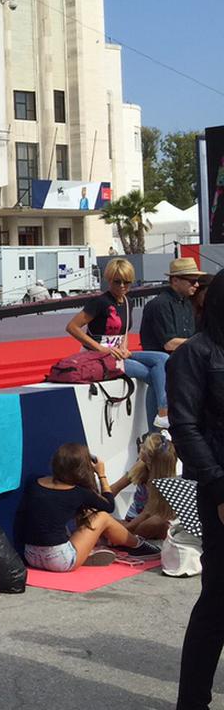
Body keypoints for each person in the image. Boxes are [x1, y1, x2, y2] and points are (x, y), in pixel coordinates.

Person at [171, 278, 224, 710]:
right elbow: (185, 428)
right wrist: (219, 487)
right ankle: (192, 701)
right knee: (218, 602)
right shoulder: (196, 353)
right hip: (219, 487)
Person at [18, 442, 160, 574]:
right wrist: (101, 474)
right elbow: (109, 505)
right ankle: (138, 546)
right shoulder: (79, 492)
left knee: (77, 515)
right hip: (59, 560)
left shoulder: (35, 483)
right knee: (102, 517)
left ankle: (88, 552)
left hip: (30, 556)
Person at [66, 257, 171, 429]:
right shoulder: (99, 302)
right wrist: (101, 348)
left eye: (127, 282)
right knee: (153, 375)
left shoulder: (128, 302)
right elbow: (72, 327)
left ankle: (162, 413)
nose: (122, 286)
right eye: (117, 281)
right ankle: (158, 424)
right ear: (109, 280)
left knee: (162, 358)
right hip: (98, 357)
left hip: (117, 353)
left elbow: (124, 331)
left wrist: (124, 347)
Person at [106, 432, 178, 541]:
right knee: (98, 517)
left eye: (144, 448)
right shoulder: (141, 466)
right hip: (132, 519)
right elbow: (116, 488)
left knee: (156, 522)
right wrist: (98, 504)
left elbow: (146, 514)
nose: (140, 446)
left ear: (150, 460)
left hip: (148, 523)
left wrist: (122, 530)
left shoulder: (165, 486)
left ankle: (128, 539)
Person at [142, 257, 207, 354]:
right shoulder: (161, 304)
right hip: (163, 359)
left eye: (198, 281)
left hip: (181, 356)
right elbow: (169, 344)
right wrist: (204, 344)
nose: (197, 285)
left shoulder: (187, 303)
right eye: (193, 281)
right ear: (175, 281)